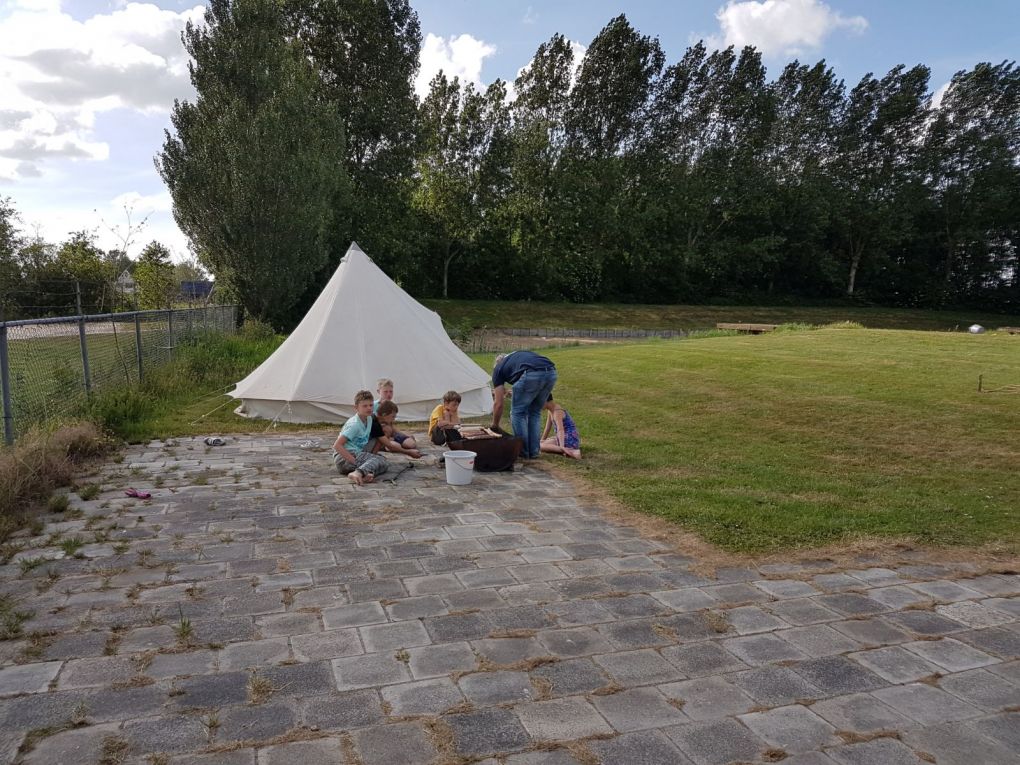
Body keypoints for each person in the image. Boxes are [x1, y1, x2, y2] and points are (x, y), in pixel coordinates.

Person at [491, 351, 557, 459]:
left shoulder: (498, 369)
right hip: (551, 372)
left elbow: (498, 404)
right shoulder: (518, 358)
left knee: (517, 413)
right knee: (534, 412)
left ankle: (523, 451)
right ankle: (534, 452)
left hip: (531, 373)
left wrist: (495, 425)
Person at [332, 390, 388, 485]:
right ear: (356, 408)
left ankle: (364, 474)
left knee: (383, 463)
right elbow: (337, 445)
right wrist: (356, 462)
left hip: (357, 453)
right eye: (364, 406)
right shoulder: (354, 425)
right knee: (379, 460)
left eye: (371, 405)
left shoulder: (369, 418)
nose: (369, 408)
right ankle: (358, 472)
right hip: (344, 459)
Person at [374, 378, 418, 452]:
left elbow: (391, 425)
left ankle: (394, 444)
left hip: (391, 433)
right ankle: (386, 445)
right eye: (385, 392)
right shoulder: (373, 406)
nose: (389, 394)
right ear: (378, 391)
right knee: (395, 444)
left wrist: (403, 434)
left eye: (391, 391)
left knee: (411, 444)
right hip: (380, 435)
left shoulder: (392, 405)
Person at [540, 395, 581, 459]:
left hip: (569, 439)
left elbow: (560, 430)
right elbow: (547, 428)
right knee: (540, 443)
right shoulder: (551, 411)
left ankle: (573, 452)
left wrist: (562, 446)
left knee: (539, 446)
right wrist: (542, 440)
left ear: (545, 401)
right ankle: (564, 448)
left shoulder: (557, 412)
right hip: (564, 437)